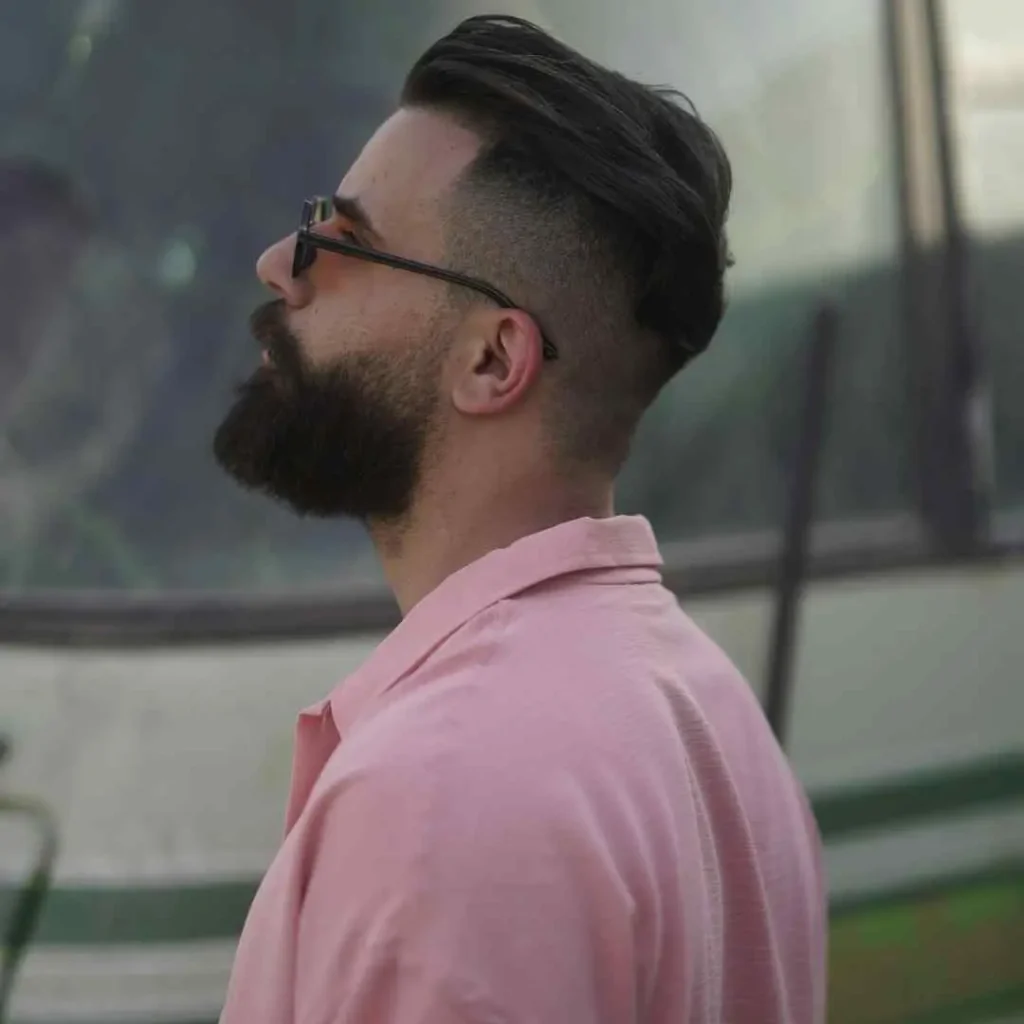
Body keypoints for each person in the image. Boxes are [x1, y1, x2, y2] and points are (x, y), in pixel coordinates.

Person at [214, 15, 826, 1024]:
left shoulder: (436, 802)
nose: (282, 262)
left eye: (344, 240)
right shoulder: (722, 726)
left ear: (494, 361)